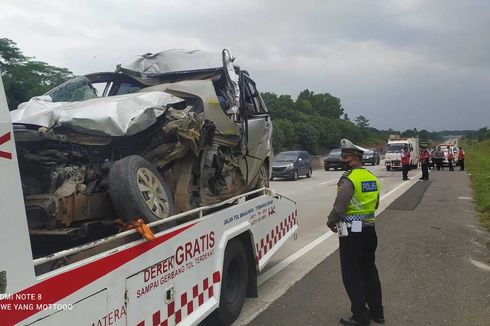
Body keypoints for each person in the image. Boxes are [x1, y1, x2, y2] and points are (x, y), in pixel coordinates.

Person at [326, 139, 384, 325]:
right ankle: (377, 312)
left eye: (346, 157)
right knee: (370, 271)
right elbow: (375, 204)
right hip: (369, 230)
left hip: (352, 234)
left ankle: (360, 316)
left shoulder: (348, 179)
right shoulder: (371, 178)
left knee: (352, 274)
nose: (342, 159)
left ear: (355, 158)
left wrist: (331, 221)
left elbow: (340, 207)